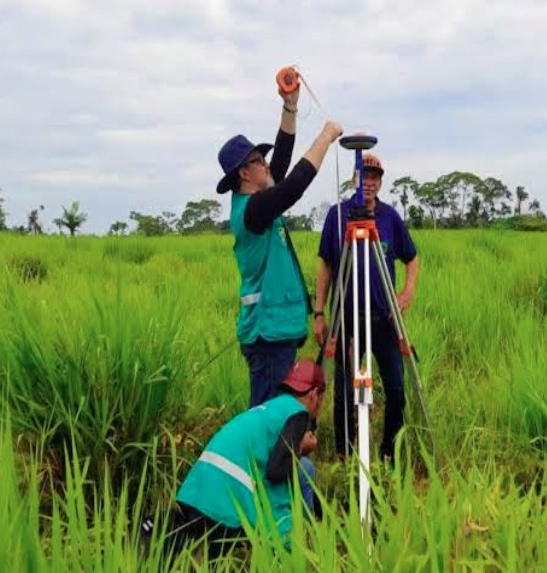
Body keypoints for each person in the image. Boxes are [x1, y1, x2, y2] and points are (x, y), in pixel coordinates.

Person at [215, 82, 343, 408]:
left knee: (277, 413)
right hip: (267, 333)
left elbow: (282, 163)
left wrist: (290, 106)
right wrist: (325, 137)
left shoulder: (258, 202)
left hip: (275, 330)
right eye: (259, 160)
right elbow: (293, 185)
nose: (266, 165)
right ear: (244, 173)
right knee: (269, 416)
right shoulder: (253, 210)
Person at [164, 358, 326, 563]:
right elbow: (277, 472)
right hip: (227, 499)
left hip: (200, 488)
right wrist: (301, 448)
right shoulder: (297, 413)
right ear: (314, 395)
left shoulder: (270, 409)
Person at [312, 152, 419, 461]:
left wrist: (407, 292)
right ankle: (346, 455)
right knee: (346, 391)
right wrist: (319, 313)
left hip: (384, 319)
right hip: (346, 320)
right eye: (364, 177)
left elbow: (412, 257)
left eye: (374, 177)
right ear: (354, 180)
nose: (369, 183)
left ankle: (388, 454)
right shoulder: (337, 216)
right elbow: (326, 265)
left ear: (380, 183)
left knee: (396, 388)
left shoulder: (390, 217)